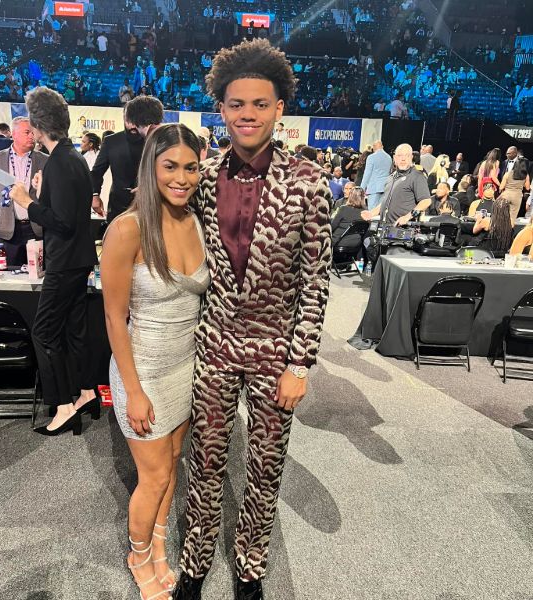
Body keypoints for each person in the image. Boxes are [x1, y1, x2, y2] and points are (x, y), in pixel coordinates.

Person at [173, 38, 332, 600]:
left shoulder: (309, 182)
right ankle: (193, 562)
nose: (247, 114)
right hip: (213, 344)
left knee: (265, 470)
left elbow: (316, 279)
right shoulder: (201, 177)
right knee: (206, 462)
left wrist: (301, 364)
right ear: (221, 108)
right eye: (236, 104)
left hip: (275, 348)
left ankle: (249, 567)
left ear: (279, 108)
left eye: (259, 104)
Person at [101, 123, 208, 600]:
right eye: (171, 167)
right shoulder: (127, 228)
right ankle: (138, 554)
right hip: (141, 370)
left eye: (191, 167)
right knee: (156, 475)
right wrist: (134, 389)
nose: (181, 178)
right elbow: (112, 315)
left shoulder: (196, 221)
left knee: (174, 461)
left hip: (186, 367)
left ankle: (159, 545)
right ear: (151, 167)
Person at [9, 87, 98, 437]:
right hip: (79, 260)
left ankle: (63, 405)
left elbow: (60, 221)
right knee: (75, 331)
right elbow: (73, 214)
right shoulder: (71, 157)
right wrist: (43, 191)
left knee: (44, 332)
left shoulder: (60, 162)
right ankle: (87, 392)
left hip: (63, 263)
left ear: (37, 126)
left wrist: (27, 200)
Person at [0, 117, 48, 266]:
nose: (32, 136)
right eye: (27, 132)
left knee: (38, 277)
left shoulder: (45, 160)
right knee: (8, 280)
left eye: (33, 132)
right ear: (13, 134)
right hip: (5, 230)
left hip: (36, 229)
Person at [91, 97, 164, 222]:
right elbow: (97, 172)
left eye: (133, 120)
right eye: (127, 119)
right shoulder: (111, 141)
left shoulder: (156, 141)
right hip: (118, 205)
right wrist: (94, 195)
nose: (131, 124)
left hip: (150, 205)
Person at [361, 143, 431, 226]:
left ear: (411, 157)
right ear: (394, 158)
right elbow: (385, 201)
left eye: (407, 155)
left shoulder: (417, 176)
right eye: (400, 155)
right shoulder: (391, 177)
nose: (403, 159)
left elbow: (426, 201)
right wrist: (371, 213)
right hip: (386, 227)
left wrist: (407, 217)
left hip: (404, 229)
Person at [360, 140, 391, 210]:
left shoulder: (371, 157)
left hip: (374, 188)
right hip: (385, 187)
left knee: (372, 212)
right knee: (381, 210)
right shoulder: (389, 157)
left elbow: (367, 174)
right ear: (382, 146)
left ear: (374, 147)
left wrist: (361, 188)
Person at [500, 156, 530, 224]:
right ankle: (509, 233)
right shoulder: (526, 175)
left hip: (506, 195)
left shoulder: (508, 173)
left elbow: (501, 187)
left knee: (502, 216)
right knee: (512, 218)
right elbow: (527, 188)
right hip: (517, 197)